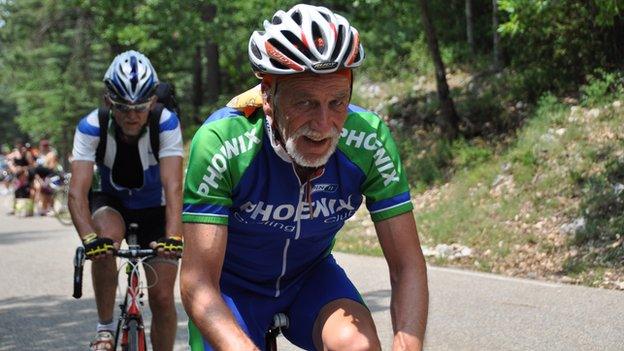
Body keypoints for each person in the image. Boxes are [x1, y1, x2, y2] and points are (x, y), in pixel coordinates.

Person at [181, 4, 429, 351]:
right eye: (305, 103)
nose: (324, 125)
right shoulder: (222, 142)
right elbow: (197, 281)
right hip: (230, 289)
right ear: (268, 96)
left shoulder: (369, 141)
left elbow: (407, 265)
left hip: (309, 280)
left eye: (337, 102)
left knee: (356, 346)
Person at [68, 50, 184, 351]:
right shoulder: (91, 126)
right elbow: (77, 192)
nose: (132, 115)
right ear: (109, 101)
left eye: (140, 107)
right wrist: (89, 240)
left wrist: (173, 237)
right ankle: (105, 329)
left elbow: (173, 187)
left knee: (161, 298)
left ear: (153, 102)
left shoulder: (166, 122)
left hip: (156, 207)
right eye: (123, 108)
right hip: (113, 202)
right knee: (105, 241)